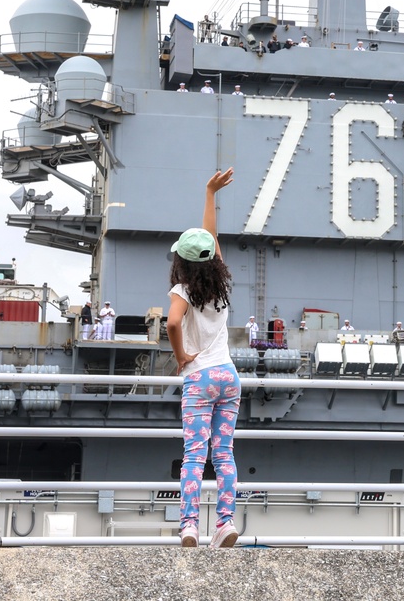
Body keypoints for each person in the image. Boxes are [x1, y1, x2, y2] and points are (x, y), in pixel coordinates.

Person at [167, 168, 241, 549]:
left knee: (194, 456)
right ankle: (225, 523)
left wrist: (181, 356)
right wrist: (211, 194)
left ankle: (190, 527)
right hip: (229, 377)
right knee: (224, 452)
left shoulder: (182, 289)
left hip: (199, 378)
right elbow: (210, 239)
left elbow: (172, 324)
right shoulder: (221, 286)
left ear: (180, 261)